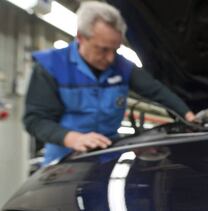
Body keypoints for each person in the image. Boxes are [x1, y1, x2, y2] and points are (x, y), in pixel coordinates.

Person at [23, 1, 196, 166]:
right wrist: (72, 138)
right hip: (64, 158)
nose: (111, 58)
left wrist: (188, 115)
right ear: (81, 38)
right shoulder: (50, 66)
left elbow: (156, 91)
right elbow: (35, 119)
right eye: (103, 49)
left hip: (108, 154)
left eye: (116, 49)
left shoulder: (123, 67)